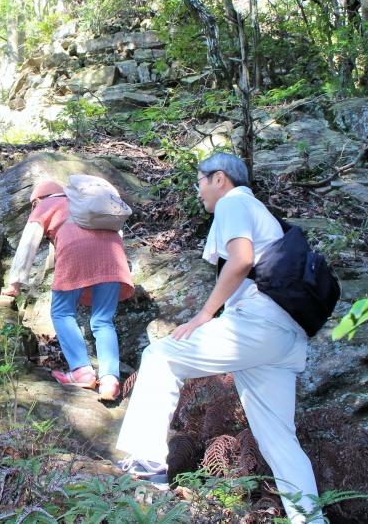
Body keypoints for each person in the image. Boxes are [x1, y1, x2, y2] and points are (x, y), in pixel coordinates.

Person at [115, 153, 323, 523]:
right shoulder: (259, 212)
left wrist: (203, 315)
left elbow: (241, 260)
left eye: (200, 181)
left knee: (162, 356)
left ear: (220, 179)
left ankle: (145, 468)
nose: (198, 191)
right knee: (278, 438)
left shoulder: (234, 203)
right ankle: (310, 519)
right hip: (284, 336)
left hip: (259, 324)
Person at [1, 179, 134, 401]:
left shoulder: (46, 205)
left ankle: (82, 371)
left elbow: (28, 244)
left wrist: (15, 283)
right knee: (103, 321)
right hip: (113, 257)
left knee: (62, 312)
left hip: (76, 255)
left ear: (37, 200)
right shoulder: (87, 203)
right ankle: (110, 380)